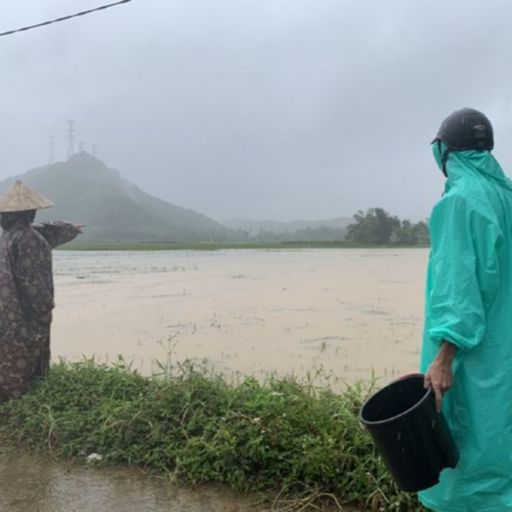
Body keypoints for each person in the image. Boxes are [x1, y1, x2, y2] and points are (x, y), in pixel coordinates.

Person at [420, 108, 512, 510]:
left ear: (444, 151)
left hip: (474, 360)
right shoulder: (506, 196)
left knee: (467, 450)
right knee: (502, 442)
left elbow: (460, 292)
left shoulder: (459, 202)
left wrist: (444, 357)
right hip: (505, 352)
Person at [0, 180, 82, 400]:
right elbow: (33, 280)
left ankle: (10, 396)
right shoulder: (28, 238)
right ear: (30, 211)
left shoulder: (9, 235)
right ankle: (25, 398)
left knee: (8, 351)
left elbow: (48, 230)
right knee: (28, 351)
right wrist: (45, 307)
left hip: (6, 310)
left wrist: (72, 229)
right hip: (25, 313)